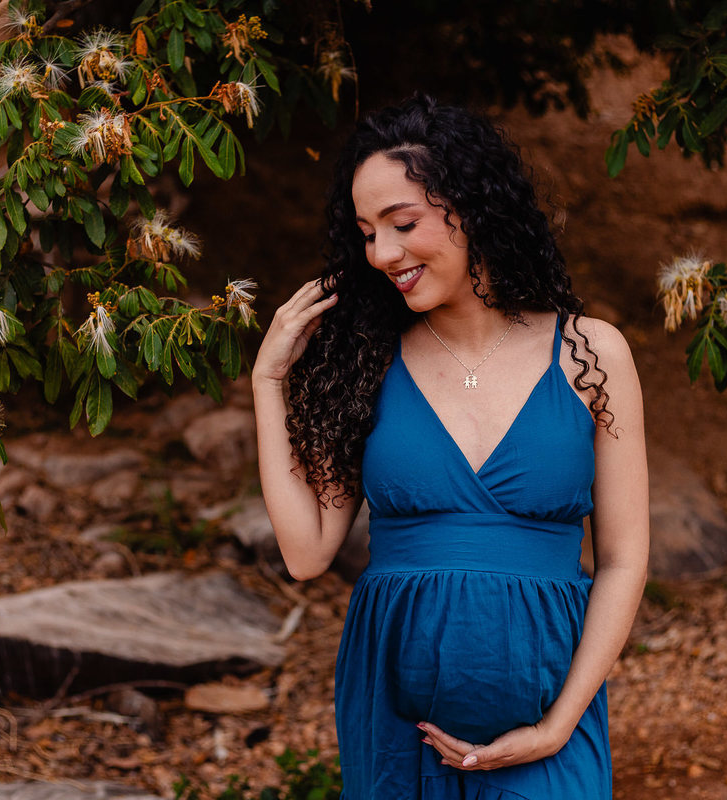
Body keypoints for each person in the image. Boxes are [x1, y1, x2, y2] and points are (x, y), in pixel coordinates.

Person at [252, 94, 649, 799]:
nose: (382, 254)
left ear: (471, 205)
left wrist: (559, 724)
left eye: (402, 225)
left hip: (552, 724)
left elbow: (623, 560)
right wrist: (268, 378)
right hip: (395, 728)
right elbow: (307, 553)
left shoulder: (593, 354)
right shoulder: (365, 363)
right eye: (367, 233)